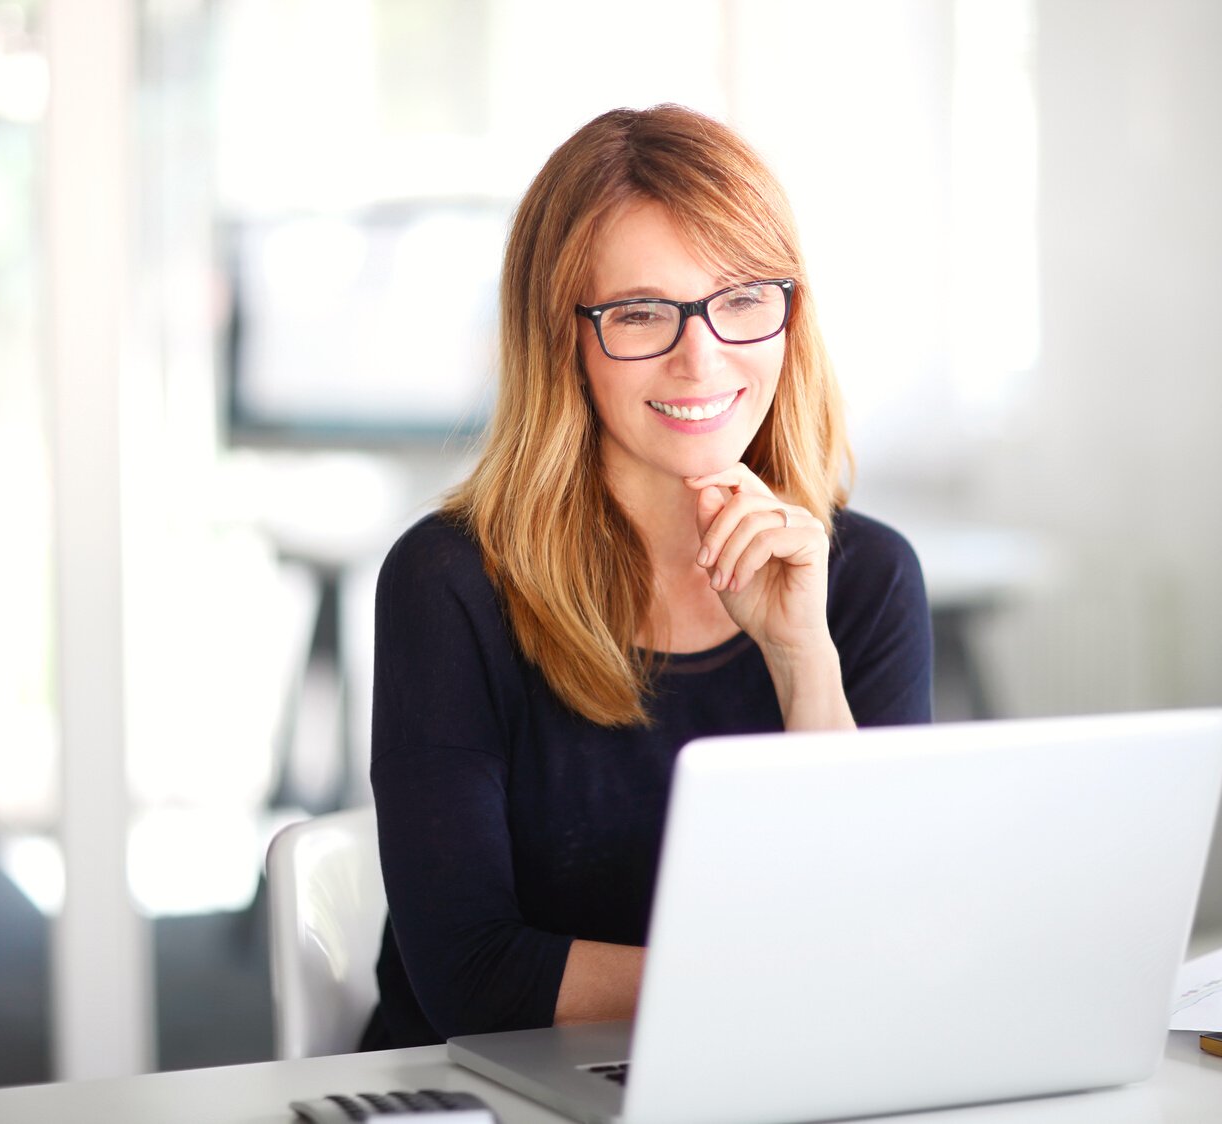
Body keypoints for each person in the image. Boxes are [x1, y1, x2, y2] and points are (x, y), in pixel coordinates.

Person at [362, 104, 933, 1050]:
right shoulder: (449, 583)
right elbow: (473, 977)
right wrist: (775, 980)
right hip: (486, 1093)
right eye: (638, 314)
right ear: (563, 340)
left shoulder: (863, 577)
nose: (700, 356)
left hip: (761, 1076)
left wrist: (802, 659)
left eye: (742, 299)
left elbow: (879, 926)